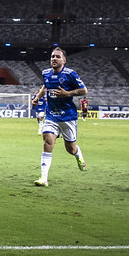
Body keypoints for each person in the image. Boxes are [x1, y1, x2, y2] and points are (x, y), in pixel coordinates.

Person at [31, 47, 88, 187]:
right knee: (48, 141)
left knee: (70, 148)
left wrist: (68, 94)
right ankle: (44, 178)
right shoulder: (45, 73)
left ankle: (78, 154)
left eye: (57, 57)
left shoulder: (70, 74)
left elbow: (84, 90)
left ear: (64, 60)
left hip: (68, 117)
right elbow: (45, 86)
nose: (54, 59)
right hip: (51, 115)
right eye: (52, 57)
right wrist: (37, 97)